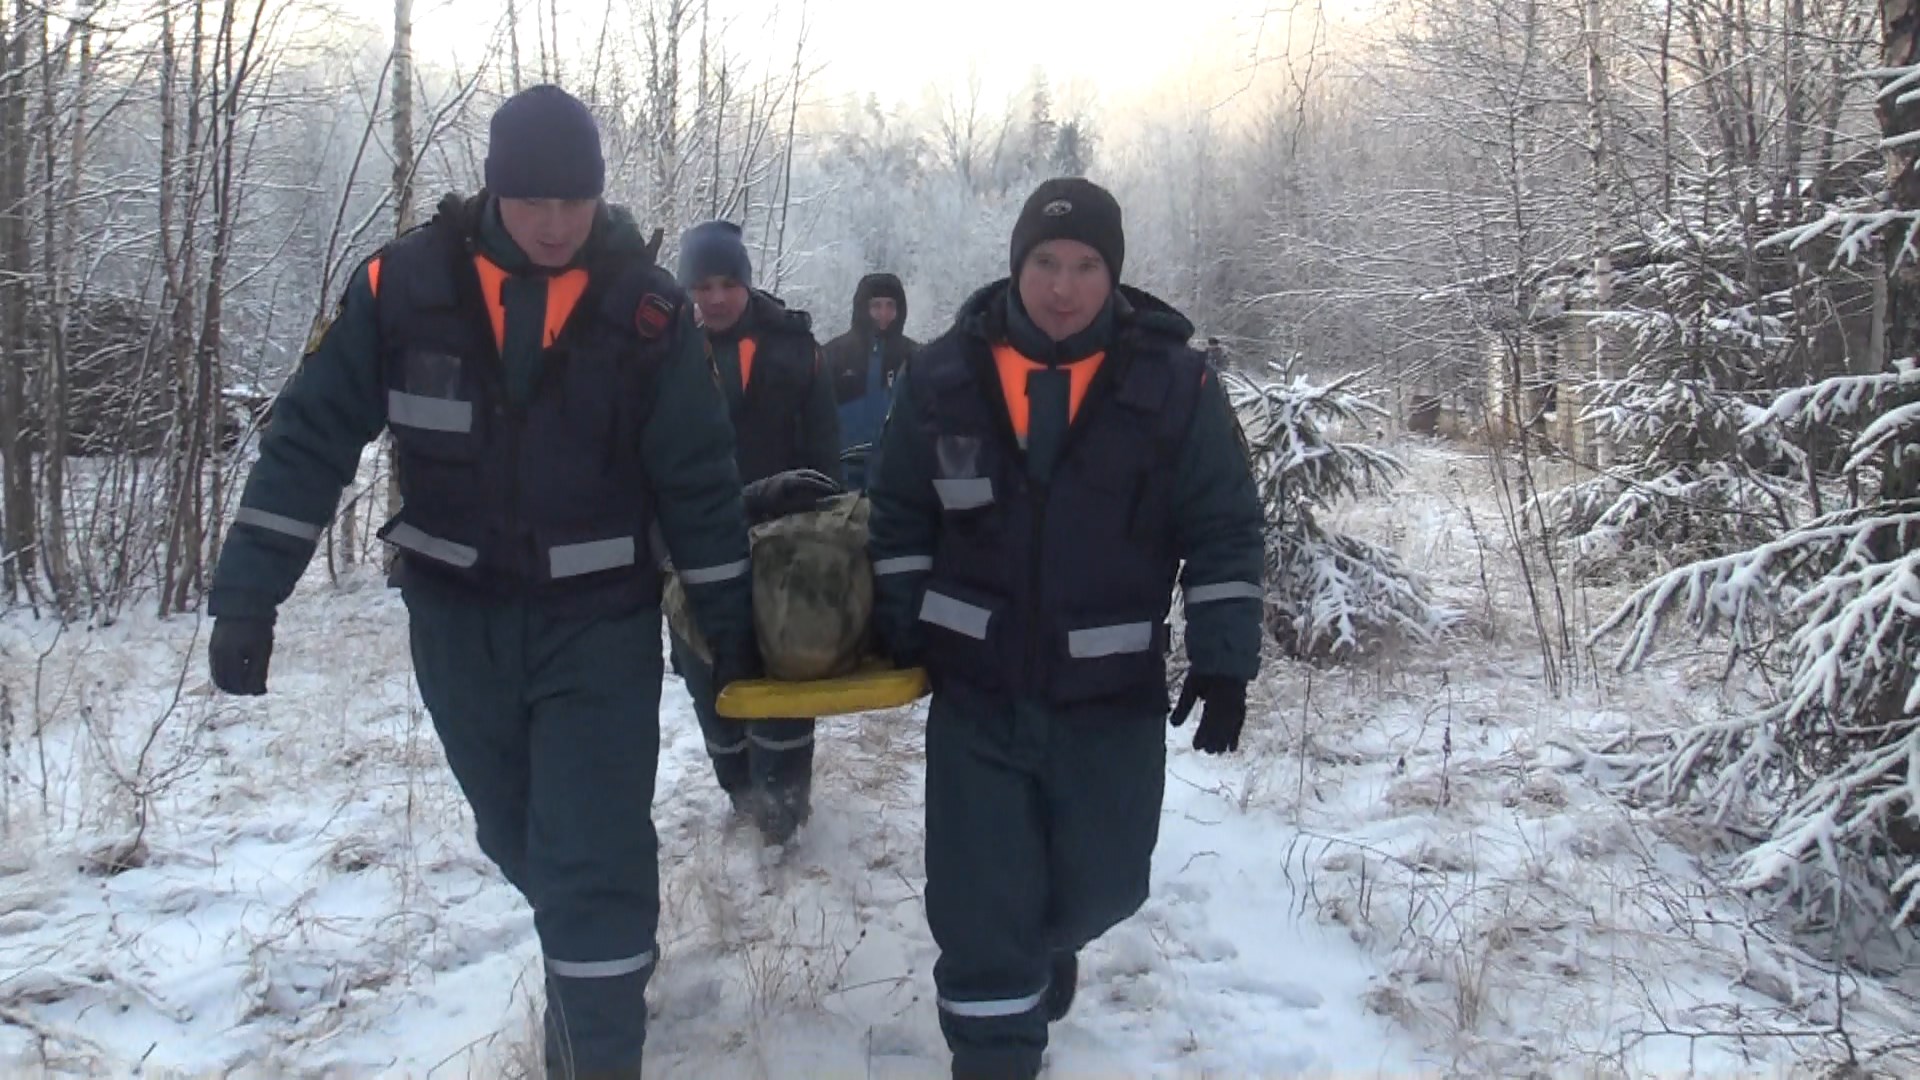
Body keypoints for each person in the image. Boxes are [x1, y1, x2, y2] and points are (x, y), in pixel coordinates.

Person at [204, 85, 757, 1080]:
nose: (555, 224)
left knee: (591, 863)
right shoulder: (403, 290)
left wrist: (731, 632)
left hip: (600, 625)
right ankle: (600, 957)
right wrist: (250, 593)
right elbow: (309, 437)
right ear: (495, 191)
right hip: (457, 624)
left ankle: (596, 1027)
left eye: (574, 201)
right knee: (522, 840)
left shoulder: (647, 312)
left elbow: (699, 479)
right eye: (533, 200)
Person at [865, 177, 1266, 1080]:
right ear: (1016, 264)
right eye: (1045, 262)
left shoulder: (1175, 385)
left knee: (1102, 887)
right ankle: (998, 1042)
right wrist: (900, 621)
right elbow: (895, 511)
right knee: (981, 913)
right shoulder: (943, 378)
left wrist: (1224, 657)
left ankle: (1049, 941)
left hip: (1109, 701)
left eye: (1086, 265)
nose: (1062, 286)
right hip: (979, 697)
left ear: (1112, 276)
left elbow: (1224, 526)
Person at [673, 220, 841, 846]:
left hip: (786, 551)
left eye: (727, 283)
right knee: (708, 675)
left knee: (783, 674)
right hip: (693, 549)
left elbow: (825, 452)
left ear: (746, 282)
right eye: (702, 285)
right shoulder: (663, 346)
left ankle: (783, 809)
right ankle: (740, 791)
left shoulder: (795, 348)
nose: (714, 298)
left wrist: (829, 536)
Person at [823, 272, 917, 488]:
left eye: (890, 305)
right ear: (863, 308)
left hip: (897, 476)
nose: (883, 313)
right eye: (876, 306)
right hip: (841, 473)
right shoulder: (834, 355)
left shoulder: (914, 357)